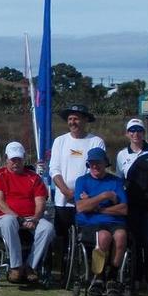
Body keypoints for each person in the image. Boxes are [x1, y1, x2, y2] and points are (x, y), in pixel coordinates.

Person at [0, 141, 55, 284]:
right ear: (6, 158)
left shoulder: (34, 177)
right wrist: (18, 218)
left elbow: (40, 201)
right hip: (7, 216)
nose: (16, 163)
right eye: (13, 159)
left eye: (19, 159)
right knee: (9, 221)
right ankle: (16, 266)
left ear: (24, 158)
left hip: (31, 217)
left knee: (47, 228)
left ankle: (30, 266)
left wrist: (35, 219)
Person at [116, 118, 148, 294]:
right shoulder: (122, 154)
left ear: (143, 133)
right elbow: (120, 180)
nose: (135, 133)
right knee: (135, 243)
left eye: (139, 130)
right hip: (132, 207)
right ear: (127, 133)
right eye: (132, 130)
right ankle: (136, 278)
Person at [49, 103, 105, 259]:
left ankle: (85, 269)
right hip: (63, 200)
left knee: (87, 238)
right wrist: (66, 191)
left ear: (85, 120)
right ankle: (63, 270)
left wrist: (81, 194)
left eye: (77, 119)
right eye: (70, 119)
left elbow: (95, 171)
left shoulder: (96, 142)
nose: (73, 122)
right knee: (62, 239)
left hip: (86, 199)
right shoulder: (60, 141)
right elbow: (54, 169)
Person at [74, 147, 128, 296]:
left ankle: (113, 275)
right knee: (103, 237)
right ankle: (98, 276)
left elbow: (123, 209)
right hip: (91, 224)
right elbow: (81, 207)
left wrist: (96, 207)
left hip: (114, 221)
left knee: (121, 236)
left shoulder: (116, 182)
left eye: (98, 163)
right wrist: (105, 196)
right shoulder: (82, 181)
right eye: (92, 163)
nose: (95, 166)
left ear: (105, 163)